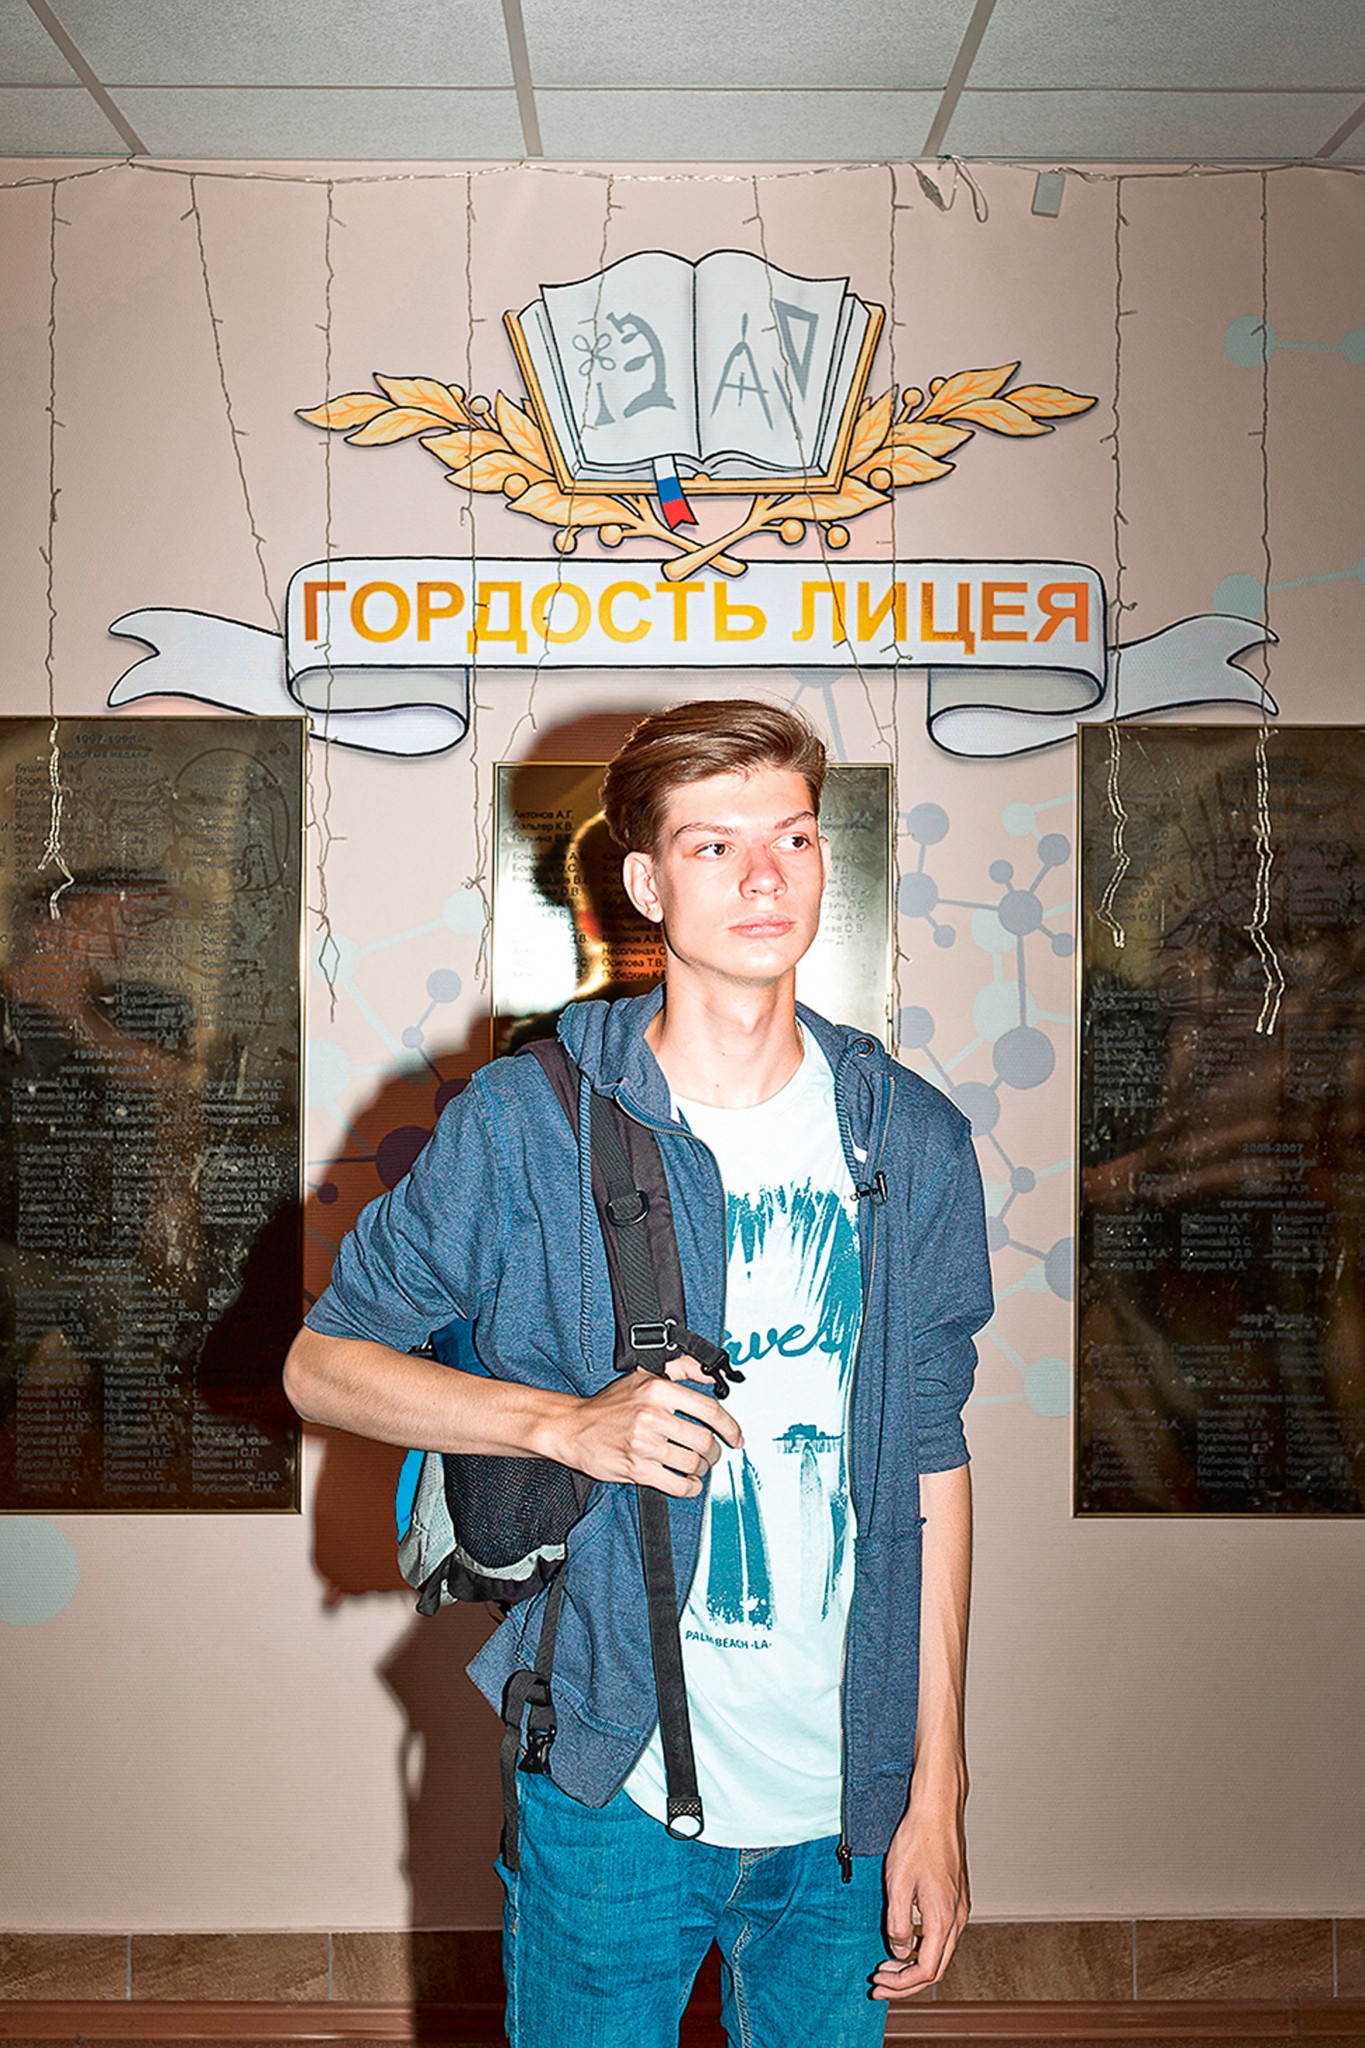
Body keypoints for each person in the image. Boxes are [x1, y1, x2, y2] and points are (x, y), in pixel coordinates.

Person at [284, 699, 993, 2048]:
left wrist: (937, 1788)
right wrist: (564, 1427)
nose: (766, 876)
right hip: (609, 1779)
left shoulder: (911, 1138)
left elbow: (932, 1466)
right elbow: (323, 1367)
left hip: (848, 1801)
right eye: (715, 845)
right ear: (647, 885)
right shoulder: (526, 1122)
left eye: (792, 837)